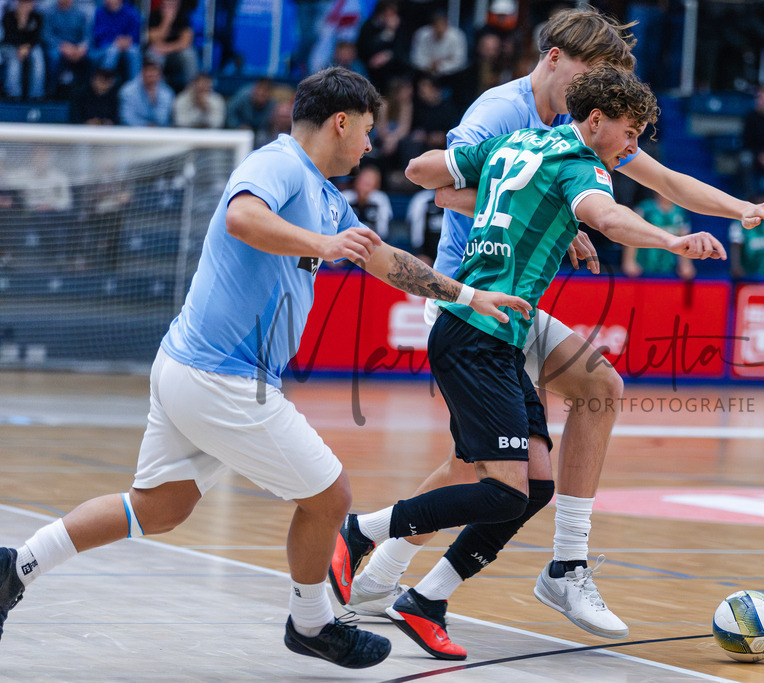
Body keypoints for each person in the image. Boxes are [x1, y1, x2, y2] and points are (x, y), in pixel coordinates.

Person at [0, 66, 529, 664]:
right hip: (220, 377)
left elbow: (385, 261)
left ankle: (15, 566)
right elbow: (241, 218)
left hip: (187, 369)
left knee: (158, 507)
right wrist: (322, 246)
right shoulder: (279, 164)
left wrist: (465, 295)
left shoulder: (326, 197)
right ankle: (311, 624)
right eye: (367, 131)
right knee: (331, 496)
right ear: (341, 121)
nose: (370, 145)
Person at [329, 6, 764, 644]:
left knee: (574, 417)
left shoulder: (583, 135)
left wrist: (745, 209)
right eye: (589, 75)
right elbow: (440, 191)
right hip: (468, 293)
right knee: (492, 473)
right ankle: (383, 562)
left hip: (511, 304)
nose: (590, 91)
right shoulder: (505, 113)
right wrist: (554, 212)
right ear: (555, 60)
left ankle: (558, 564)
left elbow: (664, 180)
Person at [622, 192, 695, 280]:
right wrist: (629, 261)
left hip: (669, 267)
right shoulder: (645, 209)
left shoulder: (679, 212)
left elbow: (684, 239)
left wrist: (686, 264)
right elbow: (632, 234)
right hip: (643, 266)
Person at [146, 0, 199, 93]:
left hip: (175, 55)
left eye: (172, 5)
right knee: (154, 54)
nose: (169, 8)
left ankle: (192, 91)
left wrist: (166, 48)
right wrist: (167, 21)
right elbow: (152, 40)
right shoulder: (154, 16)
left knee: (189, 54)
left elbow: (185, 43)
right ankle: (158, 92)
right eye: (166, 5)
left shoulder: (183, 17)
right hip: (159, 53)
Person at [43, 0, 91, 98]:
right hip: (57, 46)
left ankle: (86, 93)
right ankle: (51, 92)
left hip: (76, 47)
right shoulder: (48, 11)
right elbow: (46, 35)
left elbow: (87, 34)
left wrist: (82, 46)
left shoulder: (81, 12)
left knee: (91, 57)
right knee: (54, 57)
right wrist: (62, 46)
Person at [1, 0, 46, 101]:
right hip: (10, 46)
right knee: (14, 60)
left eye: (28, 3)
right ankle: (13, 94)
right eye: (22, 3)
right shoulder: (9, 16)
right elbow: (8, 37)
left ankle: (36, 94)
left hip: (30, 46)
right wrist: (21, 22)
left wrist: (27, 46)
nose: (25, 6)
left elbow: (37, 37)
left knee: (38, 57)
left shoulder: (37, 17)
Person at [90, 0, 142, 82]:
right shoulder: (99, 12)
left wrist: (127, 40)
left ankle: (135, 85)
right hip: (104, 48)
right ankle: (104, 82)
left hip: (127, 47)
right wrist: (115, 42)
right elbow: (98, 37)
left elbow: (136, 36)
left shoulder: (131, 12)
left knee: (134, 52)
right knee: (113, 51)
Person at [119, 59, 175, 127]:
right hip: (134, 131)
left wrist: (153, 99)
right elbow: (127, 117)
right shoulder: (127, 91)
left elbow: (163, 119)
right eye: (149, 76)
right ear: (142, 73)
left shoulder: (167, 93)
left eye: (155, 76)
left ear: (160, 76)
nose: (152, 79)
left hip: (158, 131)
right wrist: (145, 126)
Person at [340, 164, 391, 239]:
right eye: (364, 179)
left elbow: (383, 230)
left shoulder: (380, 199)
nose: (366, 182)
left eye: (370, 180)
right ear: (356, 181)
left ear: (377, 185)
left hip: (373, 241)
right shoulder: (345, 197)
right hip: (346, 239)